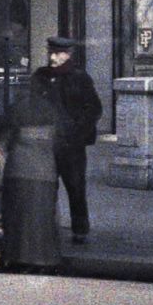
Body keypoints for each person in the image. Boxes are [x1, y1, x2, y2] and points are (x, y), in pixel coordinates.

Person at [30, 34, 102, 244]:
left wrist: (78, 133)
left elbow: (94, 109)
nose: (52, 58)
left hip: (71, 147)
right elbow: (31, 106)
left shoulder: (79, 78)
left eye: (57, 54)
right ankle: (47, 228)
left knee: (76, 188)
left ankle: (80, 231)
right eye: (50, 53)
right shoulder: (40, 77)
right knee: (47, 188)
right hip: (46, 144)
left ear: (67, 54)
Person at [0, 84, 60, 272]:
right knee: (42, 218)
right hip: (46, 172)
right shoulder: (52, 112)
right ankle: (44, 260)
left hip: (19, 170)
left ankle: (17, 258)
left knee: (18, 217)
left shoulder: (16, 110)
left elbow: (1, 131)